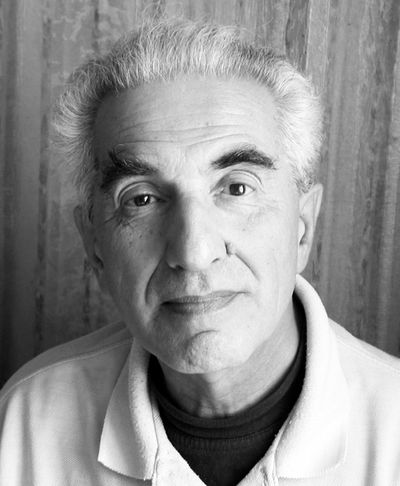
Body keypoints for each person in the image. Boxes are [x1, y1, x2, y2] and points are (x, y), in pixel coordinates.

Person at [0, 19, 399, 486]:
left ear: (302, 229)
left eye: (237, 187)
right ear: (95, 248)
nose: (193, 252)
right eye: (141, 198)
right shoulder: (23, 427)